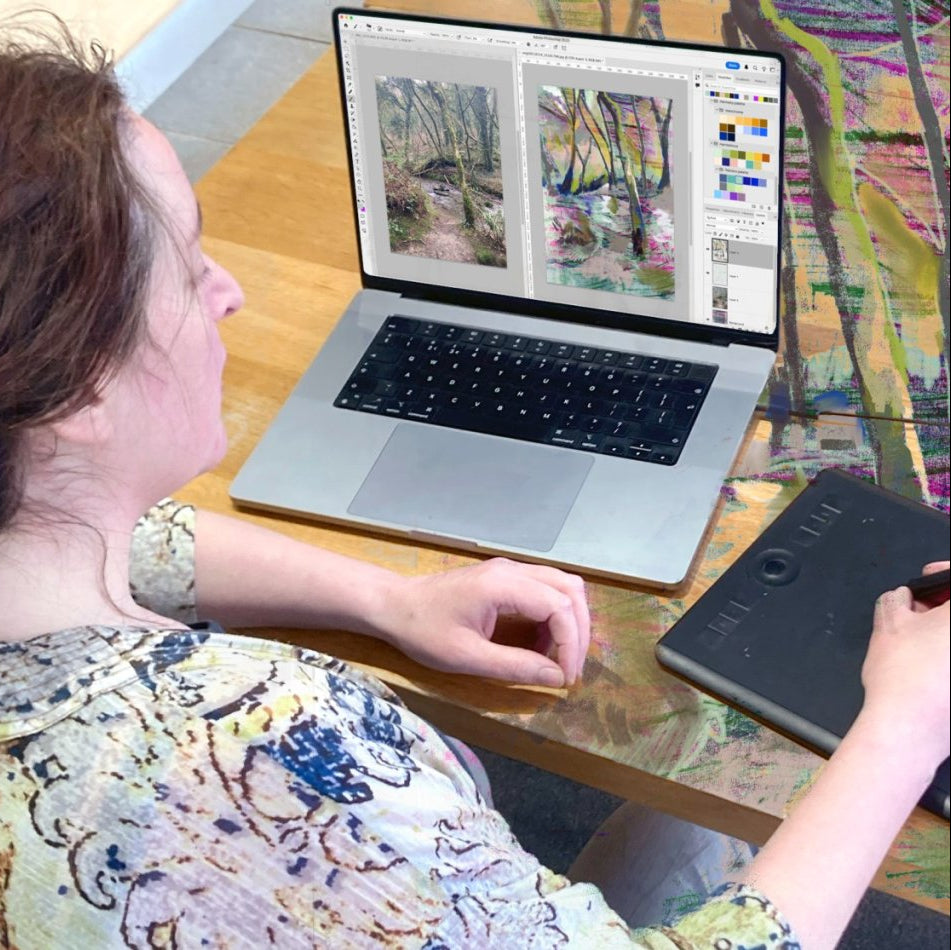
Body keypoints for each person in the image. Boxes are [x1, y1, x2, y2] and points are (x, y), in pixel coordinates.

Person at [1, 21, 948, 950]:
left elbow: (147, 541)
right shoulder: (258, 750)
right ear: (76, 384)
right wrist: (903, 726)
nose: (228, 290)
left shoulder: (29, 512)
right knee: (730, 779)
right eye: (188, 262)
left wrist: (386, 596)